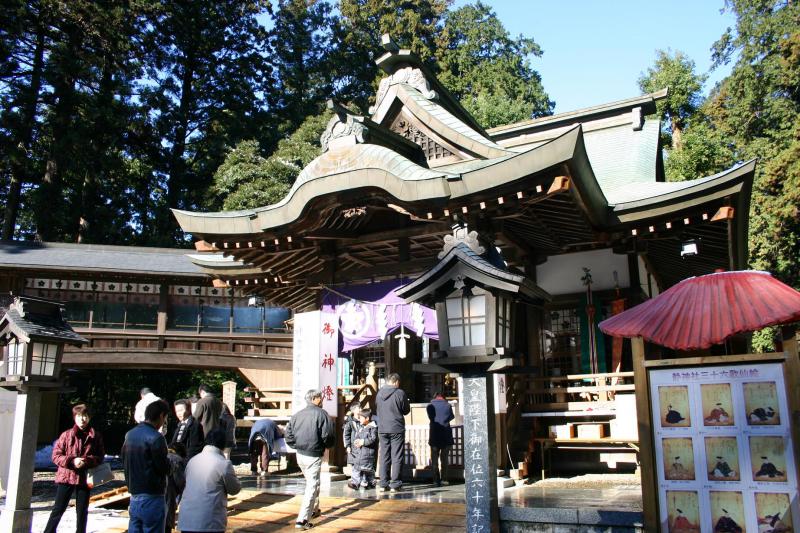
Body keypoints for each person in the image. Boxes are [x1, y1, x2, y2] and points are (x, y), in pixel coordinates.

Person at [43, 404, 105, 533]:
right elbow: (56, 456)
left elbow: (100, 456)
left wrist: (87, 461)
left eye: (85, 416)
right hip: (67, 476)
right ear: (74, 417)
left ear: (89, 418)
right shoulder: (66, 435)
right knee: (58, 509)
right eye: (79, 416)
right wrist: (72, 461)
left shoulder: (95, 436)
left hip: (85, 477)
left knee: (82, 510)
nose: (82, 419)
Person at [285, 389, 335, 530]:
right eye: (321, 397)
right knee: (311, 486)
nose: (322, 399)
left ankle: (315, 509)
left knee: (312, 481)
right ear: (315, 399)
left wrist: (297, 445)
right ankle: (302, 520)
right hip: (313, 454)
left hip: (300, 454)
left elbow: (288, 436)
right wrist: (326, 446)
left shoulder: (297, 415)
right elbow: (328, 436)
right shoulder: (322, 414)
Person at [177, 428, 241, 533]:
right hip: (210, 522)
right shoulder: (223, 464)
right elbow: (234, 489)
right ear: (223, 445)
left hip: (187, 520)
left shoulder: (192, 461)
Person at [122, 399, 171, 533]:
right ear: (161, 415)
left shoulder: (130, 434)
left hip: (134, 495)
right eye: (165, 418)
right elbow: (163, 467)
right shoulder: (156, 437)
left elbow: (124, 459)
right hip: (152, 495)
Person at [375, 373, 410, 492]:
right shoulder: (400, 393)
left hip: (382, 427)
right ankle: (395, 484)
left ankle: (383, 484)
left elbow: (377, 409)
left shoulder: (379, 393)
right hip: (396, 428)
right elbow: (406, 410)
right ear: (396, 382)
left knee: (384, 455)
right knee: (396, 455)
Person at [426, 392, 454, 487]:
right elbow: (451, 417)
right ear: (443, 397)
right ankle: (444, 479)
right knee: (444, 459)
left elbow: (430, 417)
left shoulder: (430, 406)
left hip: (434, 434)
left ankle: (435, 480)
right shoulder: (448, 405)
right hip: (446, 434)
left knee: (434, 459)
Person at [348, 408, 378, 490]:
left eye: (361, 417)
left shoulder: (372, 428)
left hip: (368, 453)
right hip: (360, 452)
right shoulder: (361, 427)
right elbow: (357, 436)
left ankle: (370, 482)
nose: (359, 419)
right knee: (357, 467)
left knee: (367, 469)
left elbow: (373, 439)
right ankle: (355, 483)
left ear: (367, 418)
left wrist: (363, 442)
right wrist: (356, 442)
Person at [164, 443, 186, 533]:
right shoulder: (177, 459)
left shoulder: (161, 455)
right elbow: (180, 482)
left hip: (154, 495)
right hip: (169, 495)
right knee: (166, 525)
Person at [342, 401, 360, 471]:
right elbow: (346, 435)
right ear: (354, 410)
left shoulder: (363, 420)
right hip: (353, 447)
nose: (361, 409)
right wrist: (348, 446)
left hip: (361, 446)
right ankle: (355, 481)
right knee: (354, 466)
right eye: (359, 408)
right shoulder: (349, 422)